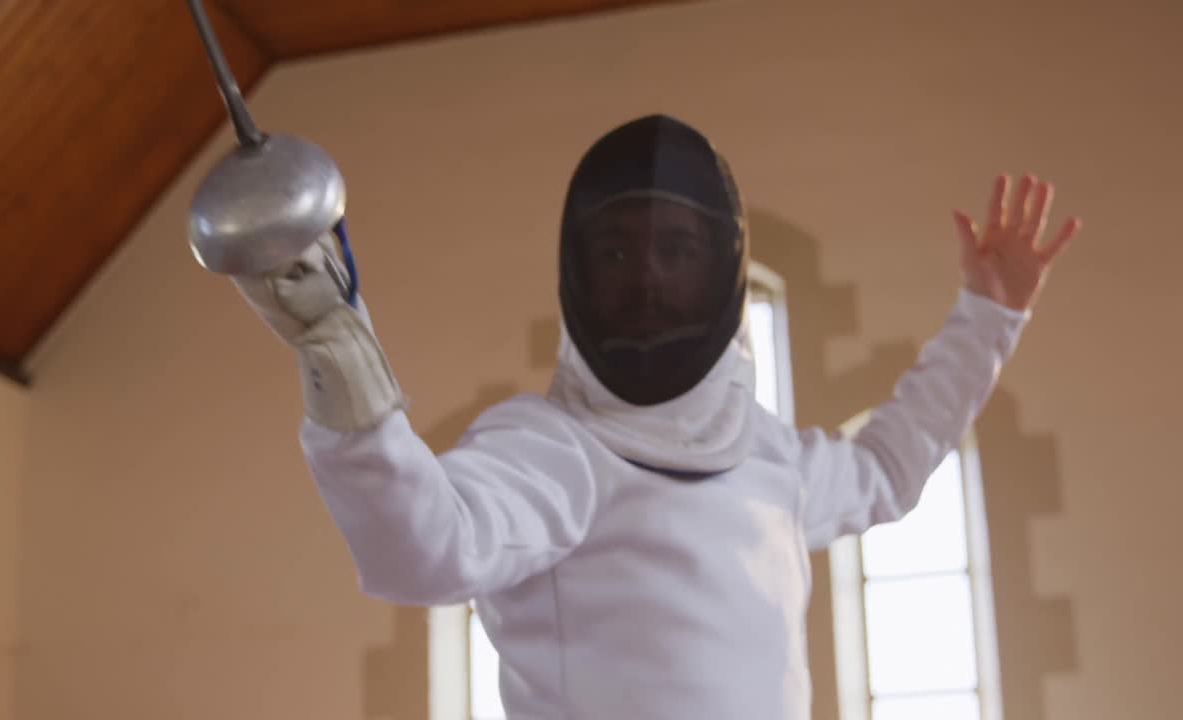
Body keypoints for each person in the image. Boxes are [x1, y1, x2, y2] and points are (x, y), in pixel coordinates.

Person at [227, 114, 1080, 719]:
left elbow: (889, 468)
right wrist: (340, 352)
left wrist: (989, 315)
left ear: (724, 269)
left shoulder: (768, 460)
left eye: (676, 250)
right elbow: (421, 547)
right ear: (577, 271)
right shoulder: (551, 453)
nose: (646, 279)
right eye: (618, 251)